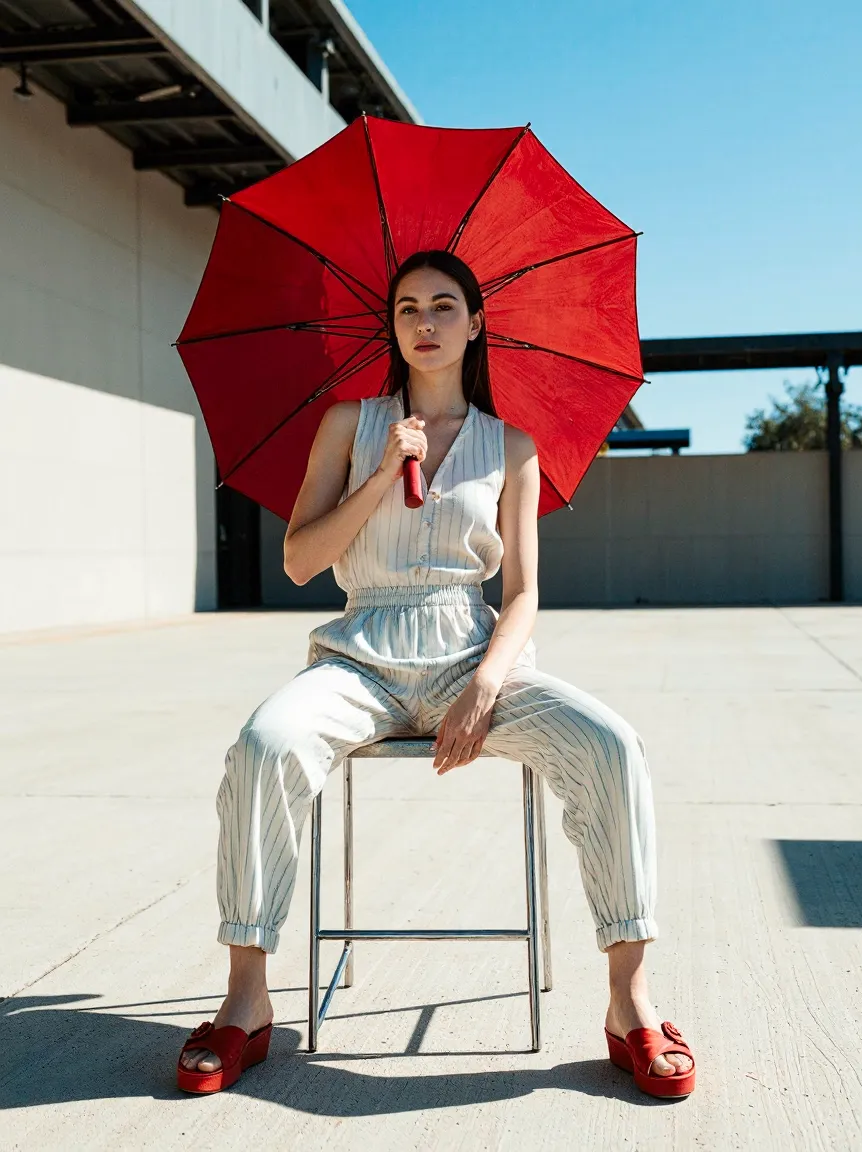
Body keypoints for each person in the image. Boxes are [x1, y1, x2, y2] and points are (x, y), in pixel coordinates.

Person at [177, 249, 696, 1098]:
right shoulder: (350, 425)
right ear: (392, 324)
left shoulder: (513, 445)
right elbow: (302, 560)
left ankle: (629, 1001)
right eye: (409, 307)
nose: (425, 322)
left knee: (612, 745)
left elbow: (523, 592)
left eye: (444, 306)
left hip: (474, 653)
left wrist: (487, 685)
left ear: (476, 323)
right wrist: (383, 469)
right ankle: (247, 1000)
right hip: (362, 657)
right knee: (264, 745)